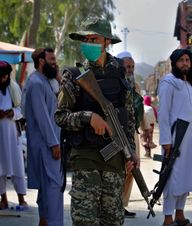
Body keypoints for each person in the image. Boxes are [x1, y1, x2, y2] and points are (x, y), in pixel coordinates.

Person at [55, 17, 137, 226]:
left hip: (114, 161)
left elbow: (128, 117)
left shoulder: (120, 73)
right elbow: (60, 117)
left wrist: (131, 151)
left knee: (112, 221)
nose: (89, 42)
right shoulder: (73, 76)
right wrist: (88, 117)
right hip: (85, 160)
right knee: (85, 221)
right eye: (86, 38)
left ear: (106, 41)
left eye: (94, 38)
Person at [158, 49, 192, 226]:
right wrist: (166, 140)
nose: (185, 63)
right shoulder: (168, 83)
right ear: (174, 63)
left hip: (190, 141)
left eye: (187, 60)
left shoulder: (189, 84)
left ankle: (180, 215)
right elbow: (163, 114)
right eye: (181, 60)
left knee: (185, 177)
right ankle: (168, 219)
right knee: (172, 178)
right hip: (175, 140)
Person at [23, 48, 63, 226]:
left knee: (47, 189)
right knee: (54, 187)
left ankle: (44, 221)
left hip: (47, 144)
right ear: (41, 61)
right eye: (51, 59)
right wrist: (54, 143)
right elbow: (42, 117)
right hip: (46, 146)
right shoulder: (36, 83)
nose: (55, 63)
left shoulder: (44, 81)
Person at [116, 50, 146, 218]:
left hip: (132, 133)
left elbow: (139, 109)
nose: (130, 69)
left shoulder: (136, 87)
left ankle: (122, 204)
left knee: (133, 169)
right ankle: (114, 204)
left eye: (132, 66)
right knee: (120, 169)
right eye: (127, 66)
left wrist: (144, 130)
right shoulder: (115, 85)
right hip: (119, 133)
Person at [0, 61, 27, 210]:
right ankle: (3, 199)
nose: (2, 80)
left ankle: (21, 199)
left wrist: (11, 113)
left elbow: (21, 110)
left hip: (12, 136)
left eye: (4, 77)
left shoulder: (14, 88)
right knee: (0, 168)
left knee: (17, 167)